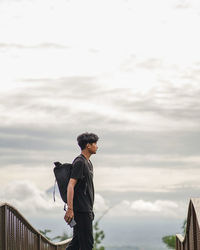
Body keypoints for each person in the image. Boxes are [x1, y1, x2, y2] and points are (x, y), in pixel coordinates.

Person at [64, 132, 99, 250]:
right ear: (88, 145)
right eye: (95, 143)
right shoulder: (80, 162)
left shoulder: (88, 163)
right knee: (87, 244)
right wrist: (70, 209)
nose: (97, 146)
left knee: (77, 243)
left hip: (86, 209)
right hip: (81, 210)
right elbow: (71, 185)